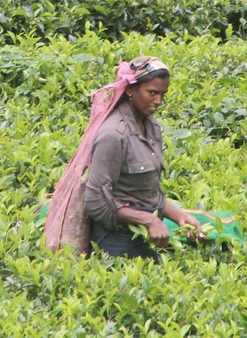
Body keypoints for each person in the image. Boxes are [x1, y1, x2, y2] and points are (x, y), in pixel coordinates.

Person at [82, 56, 204, 262]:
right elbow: (95, 202)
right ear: (130, 90)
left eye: (163, 94)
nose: (158, 102)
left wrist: (180, 216)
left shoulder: (152, 126)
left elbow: (146, 191)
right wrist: (148, 220)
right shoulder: (113, 135)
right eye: (152, 93)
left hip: (148, 234)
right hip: (115, 238)